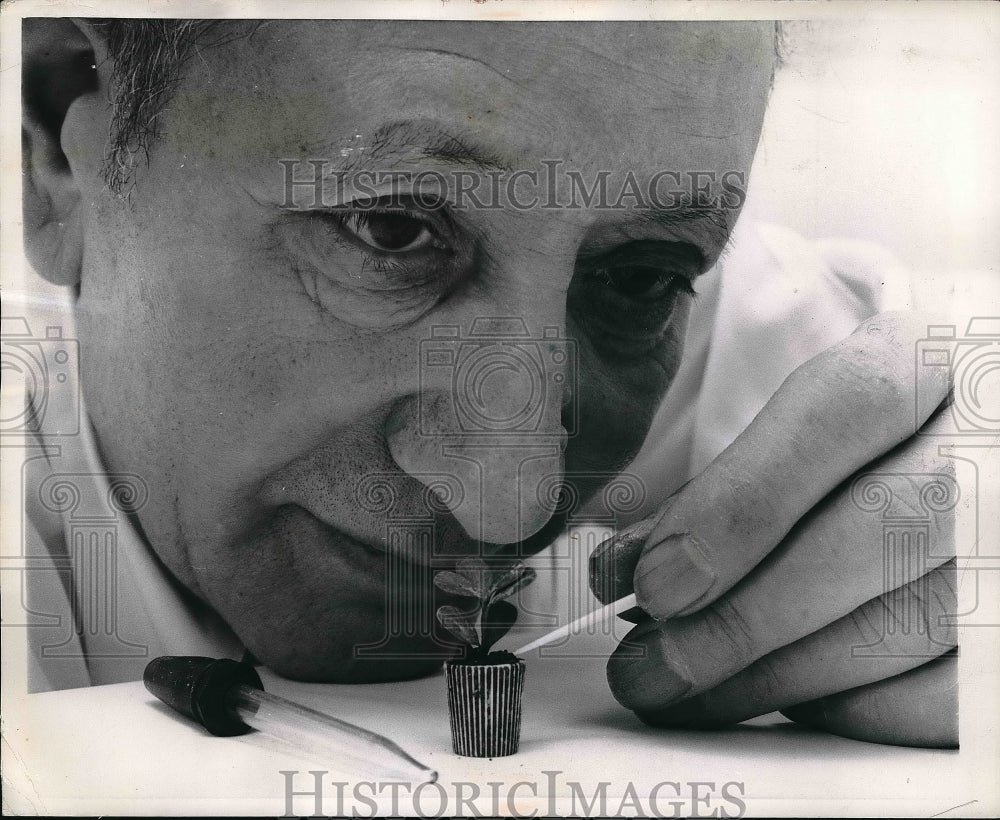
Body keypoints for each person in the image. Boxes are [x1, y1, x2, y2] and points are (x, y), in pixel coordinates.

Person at [17, 18, 957, 748]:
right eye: (390, 231)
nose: (511, 506)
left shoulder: (764, 373)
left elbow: (924, 376)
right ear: (60, 145)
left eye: (636, 280)